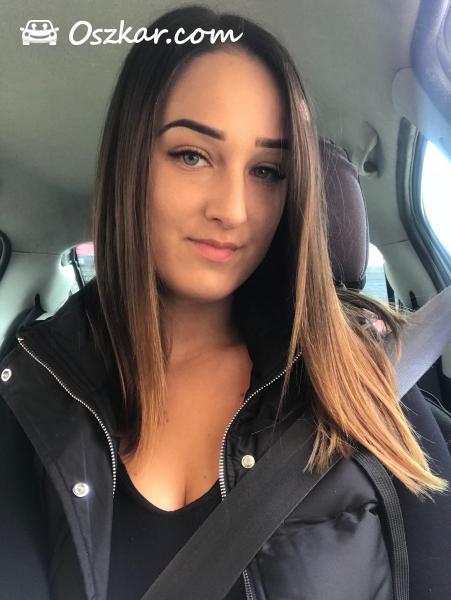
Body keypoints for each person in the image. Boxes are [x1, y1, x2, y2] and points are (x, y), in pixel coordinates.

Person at [1, 5, 451, 600]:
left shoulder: (359, 375)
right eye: (192, 155)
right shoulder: (36, 394)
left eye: (267, 170)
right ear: (129, 163)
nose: (233, 210)